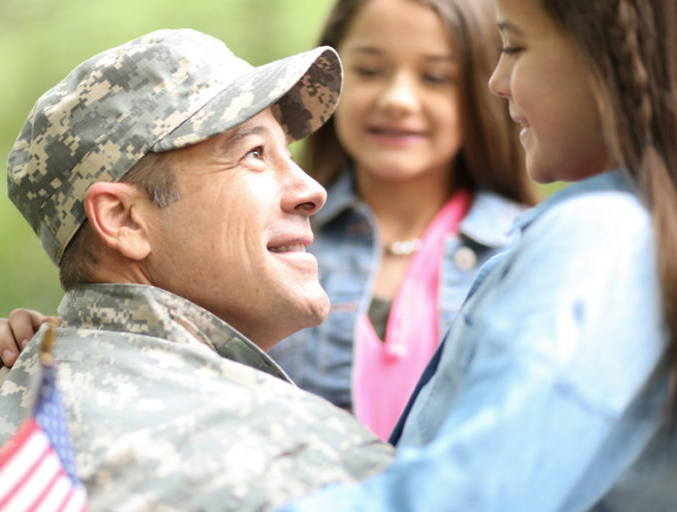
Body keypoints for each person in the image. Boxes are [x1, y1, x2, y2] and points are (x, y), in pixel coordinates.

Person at [0, 0, 539, 442]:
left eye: (435, 77)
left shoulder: (535, 251)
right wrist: (75, 347)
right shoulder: (259, 250)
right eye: (255, 153)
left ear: (489, 89)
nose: (398, 99)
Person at [0, 29, 395, 511]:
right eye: (254, 155)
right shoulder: (296, 456)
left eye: (288, 153)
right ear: (123, 220)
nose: (311, 190)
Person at [281, 0, 677, 509]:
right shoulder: (624, 234)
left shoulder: (598, 235)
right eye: (370, 69)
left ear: (608, 55)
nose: (497, 80)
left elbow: (476, 492)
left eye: (513, 46)